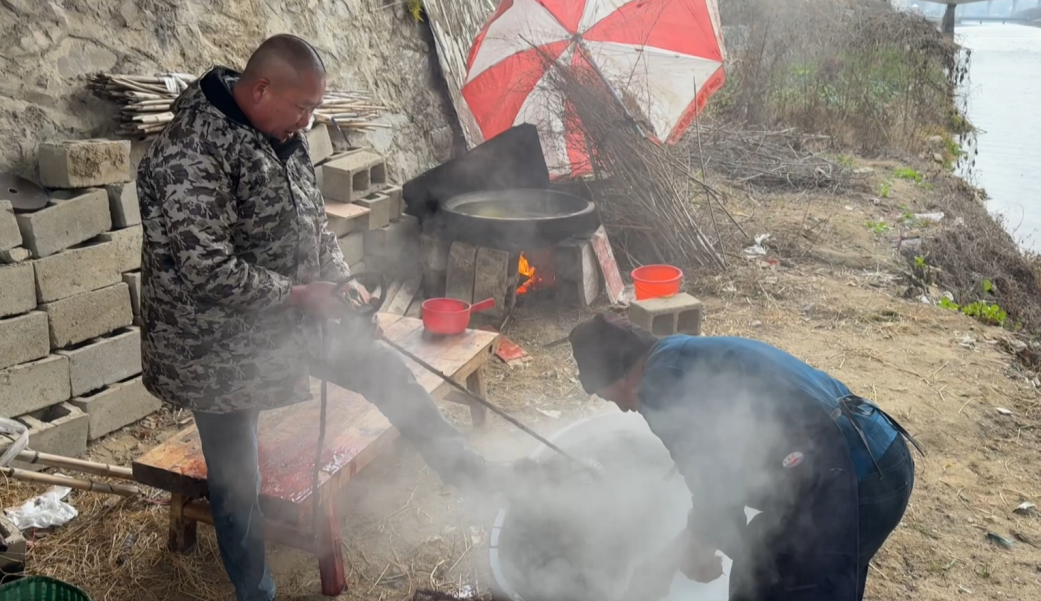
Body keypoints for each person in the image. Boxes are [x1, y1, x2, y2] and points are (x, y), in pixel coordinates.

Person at [137, 35, 513, 601]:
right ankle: (256, 593)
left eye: (313, 109)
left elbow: (313, 227)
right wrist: (298, 296)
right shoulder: (189, 151)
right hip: (213, 347)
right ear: (261, 89)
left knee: (386, 372)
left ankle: (474, 478)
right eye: (302, 107)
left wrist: (342, 283)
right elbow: (206, 271)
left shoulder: (281, 135)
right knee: (238, 481)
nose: (307, 121)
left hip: (292, 319)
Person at [566, 313, 922, 601]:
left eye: (610, 397)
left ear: (621, 372)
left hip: (854, 474)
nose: (622, 409)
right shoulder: (680, 355)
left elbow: (716, 488)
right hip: (880, 452)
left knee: (780, 586)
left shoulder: (659, 388)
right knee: (763, 568)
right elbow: (727, 474)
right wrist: (690, 548)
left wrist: (690, 552)